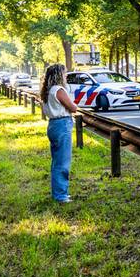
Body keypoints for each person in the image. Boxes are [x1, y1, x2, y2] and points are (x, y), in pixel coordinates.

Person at [40, 63, 81, 203]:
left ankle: (58, 193)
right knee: (62, 163)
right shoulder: (58, 90)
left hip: (53, 125)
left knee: (57, 161)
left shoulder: (48, 90)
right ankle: (61, 196)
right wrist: (74, 104)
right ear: (58, 75)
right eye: (64, 73)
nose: (66, 75)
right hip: (62, 125)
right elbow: (73, 108)